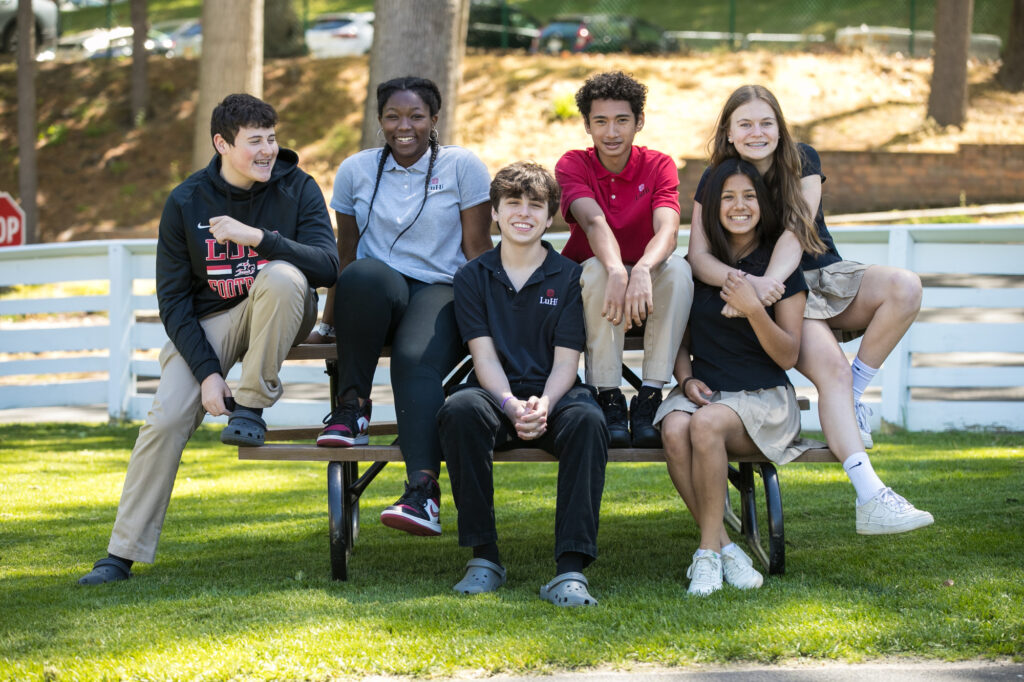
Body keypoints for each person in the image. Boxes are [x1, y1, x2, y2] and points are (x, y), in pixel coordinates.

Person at [78, 93, 339, 585]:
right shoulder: (186, 200)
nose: (267, 150)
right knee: (165, 420)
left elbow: (328, 266)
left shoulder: (297, 187)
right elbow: (173, 300)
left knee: (283, 276)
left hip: (284, 306)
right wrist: (208, 373)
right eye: (254, 141)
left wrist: (258, 238)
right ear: (222, 143)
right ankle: (120, 554)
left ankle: (252, 407)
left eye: (272, 138)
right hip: (211, 323)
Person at [688, 84, 933, 536]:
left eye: (767, 122)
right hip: (782, 293)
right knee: (831, 375)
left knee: (905, 286)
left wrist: (766, 285)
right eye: (745, 124)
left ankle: (855, 396)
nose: (756, 132)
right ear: (728, 131)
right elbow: (699, 256)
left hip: (817, 274)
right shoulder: (718, 176)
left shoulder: (802, 160)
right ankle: (872, 497)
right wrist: (748, 287)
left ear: (780, 127)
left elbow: (795, 233)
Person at [313, 77, 493, 538]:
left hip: (443, 287)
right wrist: (328, 323)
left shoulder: (461, 166)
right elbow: (346, 253)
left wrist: (495, 320)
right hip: (380, 293)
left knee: (414, 360)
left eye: (415, 116)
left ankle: (423, 492)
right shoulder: (356, 170)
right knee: (362, 273)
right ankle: (352, 408)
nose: (403, 126)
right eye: (393, 116)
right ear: (380, 121)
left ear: (434, 120)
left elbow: (477, 249)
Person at [437, 161, 608, 606]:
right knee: (458, 410)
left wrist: (547, 403)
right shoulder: (473, 276)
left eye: (536, 206)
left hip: (556, 394)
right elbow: (484, 354)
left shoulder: (570, 275)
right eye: (513, 203)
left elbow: (568, 360)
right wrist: (511, 404)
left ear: (550, 215)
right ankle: (484, 559)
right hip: (496, 396)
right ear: (494, 212)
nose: (524, 214)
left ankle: (570, 572)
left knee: (590, 421)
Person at [659, 159, 817, 595]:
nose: (739, 206)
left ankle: (706, 553)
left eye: (748, 196)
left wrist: (752, 307)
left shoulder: (779, 272)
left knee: (705, 424)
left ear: (763, 204)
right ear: (713, 208)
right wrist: (686, 379)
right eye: (727, 197)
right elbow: (681, 341)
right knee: (675, 427)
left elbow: (787, 354)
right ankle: (726, 548)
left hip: (764, 399)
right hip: (707, 391)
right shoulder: (700, 269)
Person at [555, 71, 692, 449]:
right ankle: (609, 396)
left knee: (679, 269)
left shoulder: (659, 164)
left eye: (622, 120)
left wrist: (643, 269)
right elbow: (592, 219)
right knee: (599, 270)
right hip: (592, 287)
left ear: (639, 122)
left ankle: (649, 397)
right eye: (600, 121)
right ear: (587, 124)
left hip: (647, 288)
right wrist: (617, 269)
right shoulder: (572, 164)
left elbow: (667, 227)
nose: (611, 132)